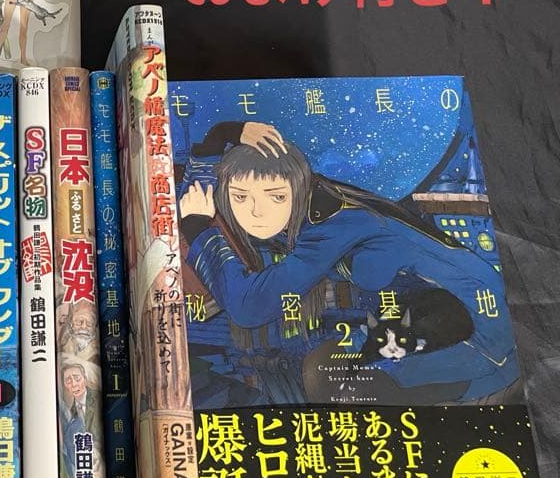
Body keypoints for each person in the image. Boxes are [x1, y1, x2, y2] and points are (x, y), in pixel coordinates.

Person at [177, 121, 519, 403]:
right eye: (240, 197)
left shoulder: (334, 226)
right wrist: (224, 133)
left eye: (276, 196)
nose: (256, 212)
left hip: (479, 340)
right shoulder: (310, 200)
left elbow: (249, 307)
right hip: (430, 318)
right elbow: (199, 195)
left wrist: (198, 230)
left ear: (297, 186)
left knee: (323, 375)